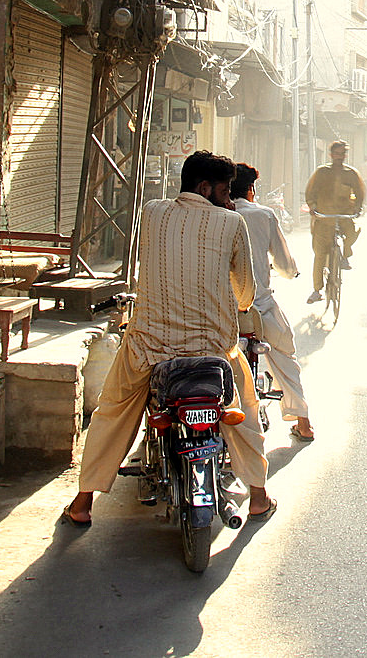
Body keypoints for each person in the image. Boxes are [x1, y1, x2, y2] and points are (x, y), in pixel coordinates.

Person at [62, 150, 274, 526]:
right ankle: (258, 497)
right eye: (225, 191)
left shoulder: (153, 212)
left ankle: (82, 503)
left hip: (149, 346)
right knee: (244, 409)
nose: (229, 199)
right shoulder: (231, 222)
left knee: (114, 411)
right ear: (205, 187)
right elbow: (244, 293)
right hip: (213, 349)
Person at [231, 162, 315, 442]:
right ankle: (304, 423)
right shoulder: (263, 215)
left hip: (223, 310)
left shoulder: (215, 215)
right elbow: (284, 263)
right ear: (251, 190)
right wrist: (291, 272)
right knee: (284, 353)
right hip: (260, 306)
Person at [305, 140, 366, 304]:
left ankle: (345, 255)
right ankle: (317, 290)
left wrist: (358, 207)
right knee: (319, 255)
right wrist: (313, 207)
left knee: (353, 234)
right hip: (324, 218)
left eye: (342, 154)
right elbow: (310, 192)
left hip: (344, 216)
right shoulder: (322, 172)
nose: (340, 157)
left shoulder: (351, 173)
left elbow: (360, 193)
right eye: (337, 154)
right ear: (331, 155)